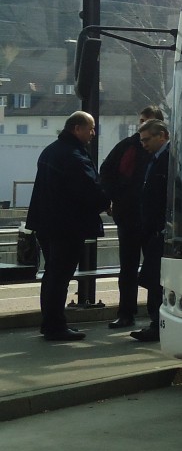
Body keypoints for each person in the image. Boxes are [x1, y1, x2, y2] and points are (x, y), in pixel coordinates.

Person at [25, 111, 108, 341]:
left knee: (51, 274)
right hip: (67, 226)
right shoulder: (74, 156)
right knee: (60, 276)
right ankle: (55, 326)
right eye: (90, 128)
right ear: (76, 128)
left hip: (46, 223)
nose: (93, 133)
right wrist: (107, 201)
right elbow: (89, 190)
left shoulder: (51, 151)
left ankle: (49, 323)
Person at [99, 105, 164, 329]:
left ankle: (156, 315)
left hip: (151, 219)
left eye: (147, 121)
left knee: (155, 269)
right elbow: (106, 171)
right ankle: (126, 312)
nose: (141, 126)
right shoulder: (127, 146)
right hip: (128, 216)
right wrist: (117, 197)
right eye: (141, 120)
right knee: (128, 267)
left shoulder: (161, 153)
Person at [132, 119, 170, 342]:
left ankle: (157, 325)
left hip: (161, 231)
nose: (143, 144)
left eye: (147, 140)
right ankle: (155, 323)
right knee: (153, 278)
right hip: (153, 230)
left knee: (156, 280)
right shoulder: (155, 159)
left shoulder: (169, 160)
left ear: (162, 136)